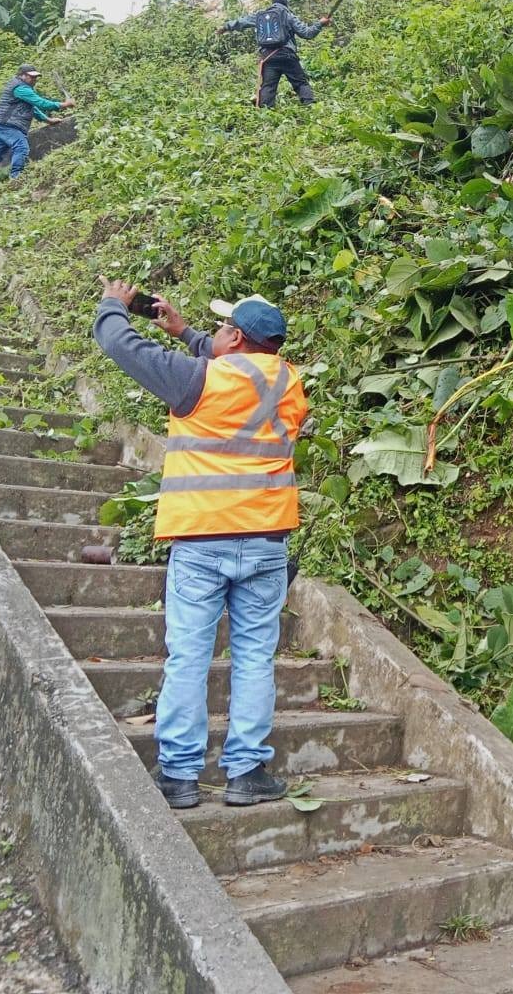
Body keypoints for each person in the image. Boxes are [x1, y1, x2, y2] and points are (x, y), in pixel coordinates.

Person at [93, 284, 308, 810]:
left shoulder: (197, 380)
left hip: (202, 539)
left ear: (233, 337)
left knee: (189, 658)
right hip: (267, 541)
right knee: (255, 657)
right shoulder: (290, 383)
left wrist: (114, 304)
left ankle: (179, 776)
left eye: (221, 328)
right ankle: (247, 772)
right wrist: (185, 331)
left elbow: (120, 344)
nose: (214, 335)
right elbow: (237, 373)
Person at [0, 64, 74, 187]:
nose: (34, 80)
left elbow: (32, 108)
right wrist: (63, 105)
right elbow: (41, 103)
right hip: (8, 125)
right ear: (22, 76)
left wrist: (48, 120)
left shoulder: (21, 88)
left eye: (35, 77)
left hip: (0, 125)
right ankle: (16, 178)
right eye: (31, 77)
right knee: (21, 147)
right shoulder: (20, 88)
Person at [219, 0, 331, 107]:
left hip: (269, 57)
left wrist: (225, 27)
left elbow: (242, 22)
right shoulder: (288, 15)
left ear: (272, 3)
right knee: (300, 83)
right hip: (287, 55)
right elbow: (307, 33)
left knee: (268, 87)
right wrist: (320, 23)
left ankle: (266, 112)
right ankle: (310, 106)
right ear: (286, 4)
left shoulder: (260, 15)